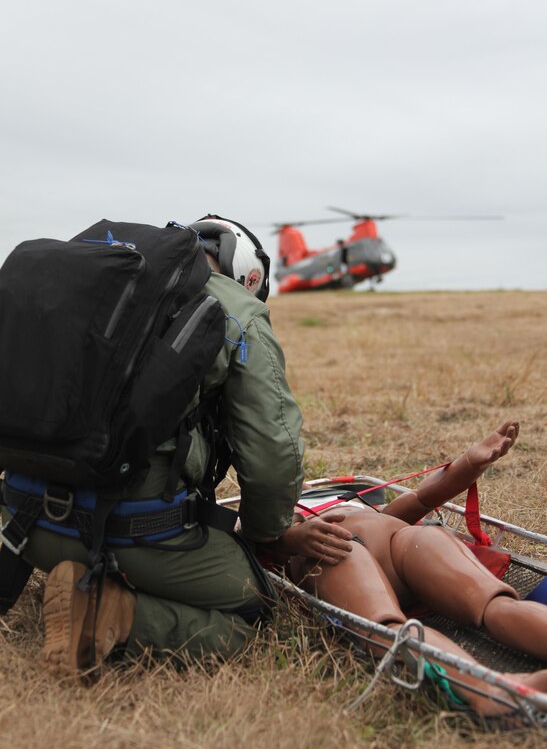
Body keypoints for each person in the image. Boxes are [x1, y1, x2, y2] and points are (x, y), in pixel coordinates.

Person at [4, 215, 305, 675]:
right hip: (130, 533)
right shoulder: (238, 309)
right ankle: (118, 615)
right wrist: (267, 535)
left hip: (20, 524)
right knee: (253, 609)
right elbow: (272, 456)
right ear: (248, 274)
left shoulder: (96, 275)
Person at [265, 421, 547, 717]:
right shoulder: (268, 513)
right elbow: (251, 535)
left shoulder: (351, 499)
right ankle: (491, 692)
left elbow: (421, 499)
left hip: (401, 542)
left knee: (493, 603)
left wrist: (469, 463)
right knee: (387, 630)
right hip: (336, 552)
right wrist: (290, 538)